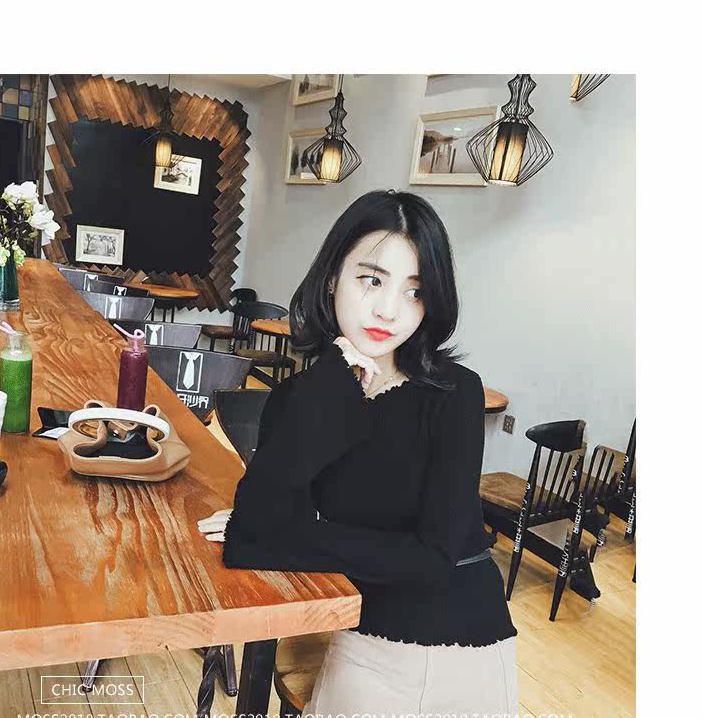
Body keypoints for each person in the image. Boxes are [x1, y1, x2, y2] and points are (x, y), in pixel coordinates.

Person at [199, 189, 519, 717]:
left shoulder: (454, 393)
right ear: (332, 277)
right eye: (372, 279)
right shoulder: (302, 397)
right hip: (358, 625)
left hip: (457, 640)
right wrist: (332, 382)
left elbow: (432, 559)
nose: (389, 311)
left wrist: (281, 538)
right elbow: (253, 533)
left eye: (415, 291)